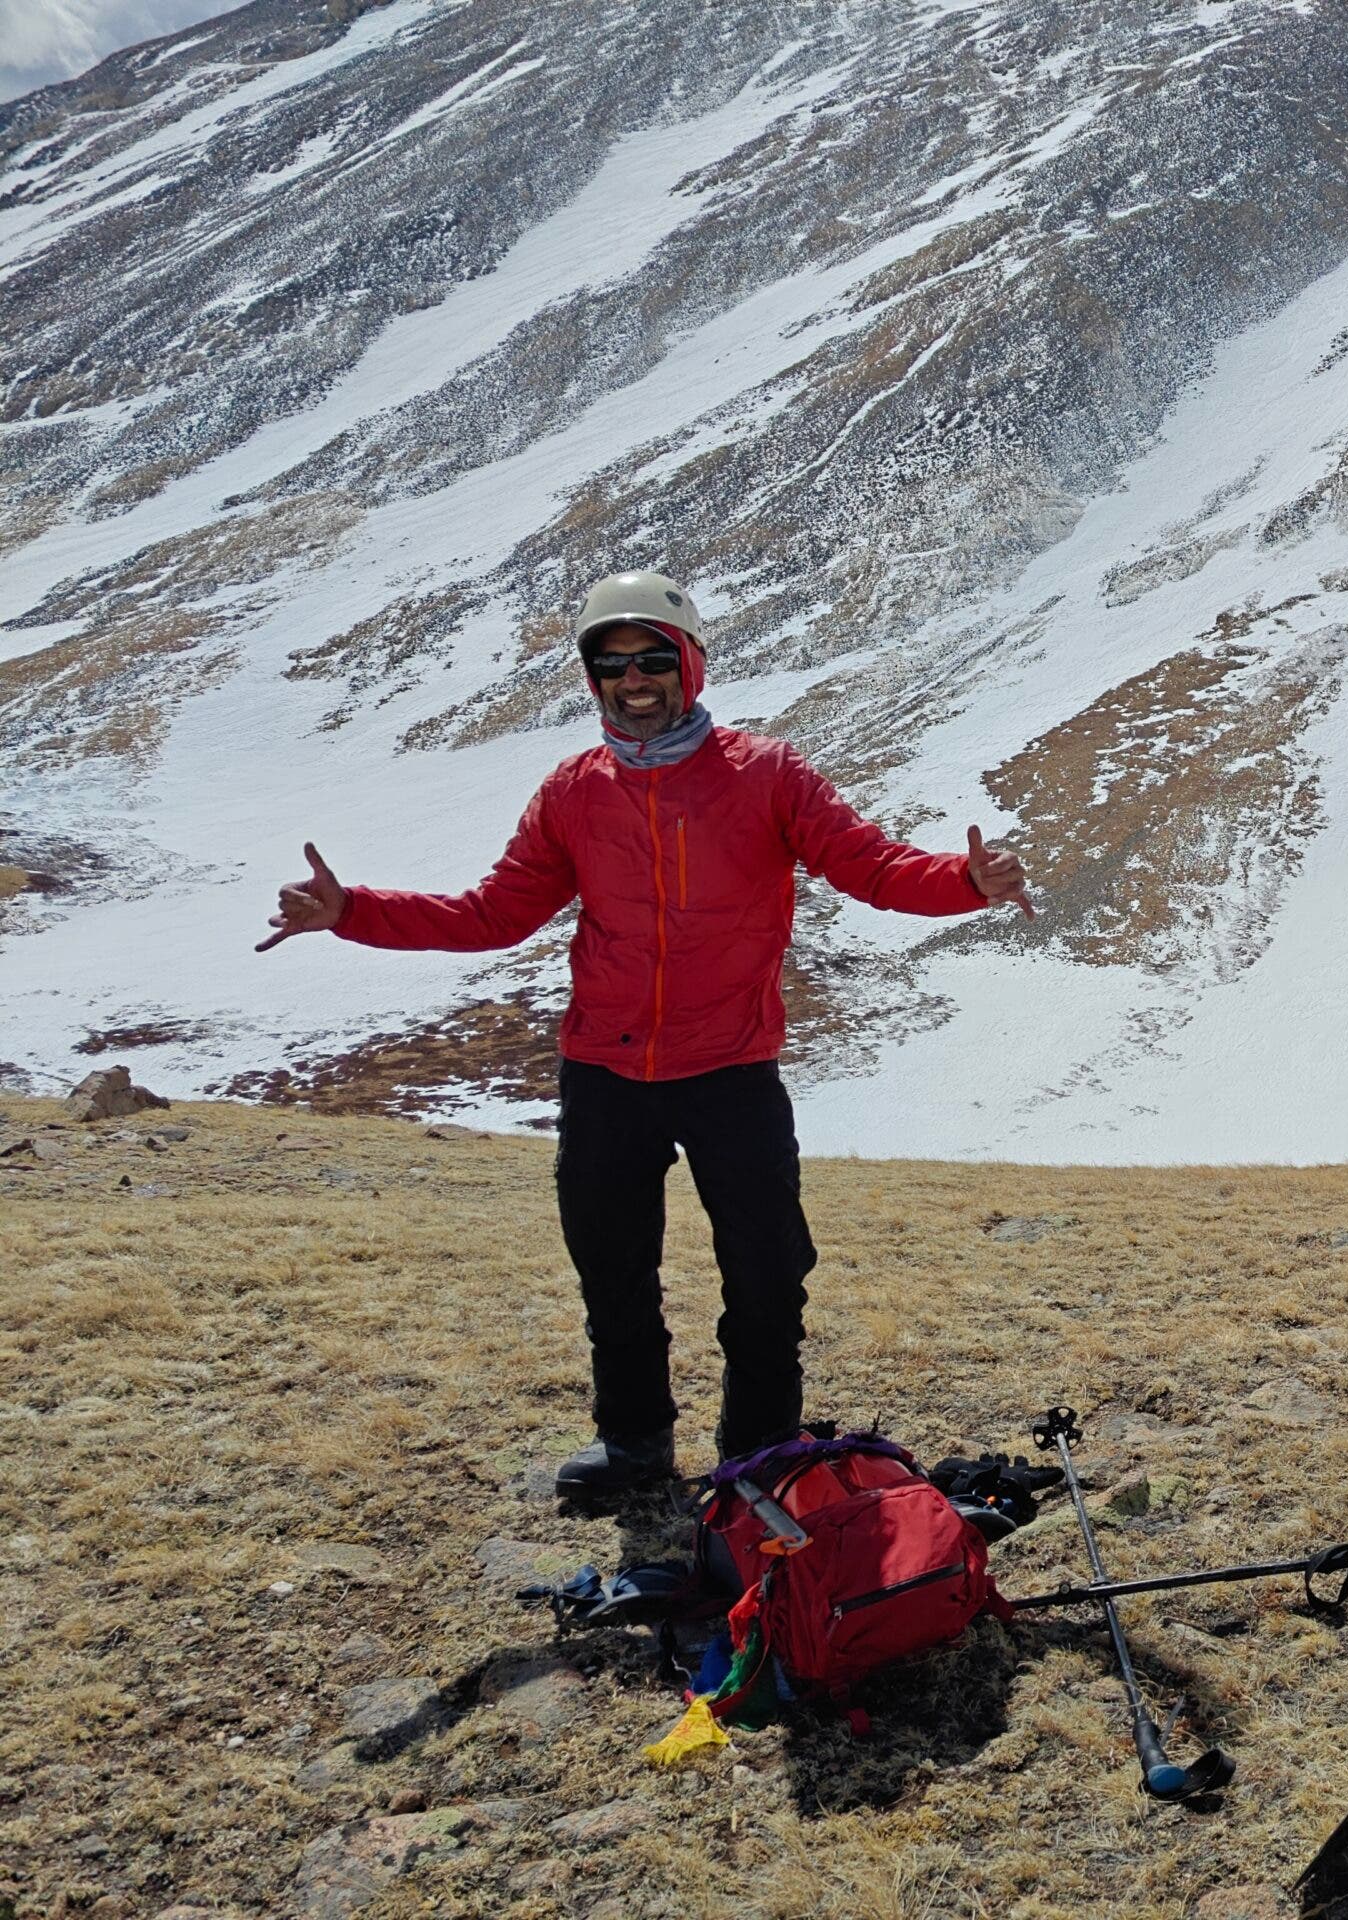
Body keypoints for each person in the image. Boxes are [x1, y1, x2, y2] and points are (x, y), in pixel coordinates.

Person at [257, 570, 1032, 1496]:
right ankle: (635, 1449)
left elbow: (870, 866)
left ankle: (759, 1455)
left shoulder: (767, 774)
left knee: (768, 1275)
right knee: (613, 1275)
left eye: (653, 659)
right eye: (610, 663)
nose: (633, 679)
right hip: (606, 1074)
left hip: (731, 1069)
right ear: (591, 678)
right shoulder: (574, 792)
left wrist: (965, 884)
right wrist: (352, 910)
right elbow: (496, 913)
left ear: (690, 665)